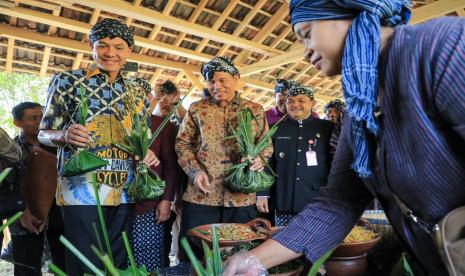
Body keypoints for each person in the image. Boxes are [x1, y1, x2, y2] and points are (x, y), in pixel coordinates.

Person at [224, 1, 465, 275]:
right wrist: (252, 260)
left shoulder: (442, 49)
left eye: (306, 34)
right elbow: (338, 202)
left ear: (346, 13)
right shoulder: (359, 112)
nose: (305, 53)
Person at [38, 18, 159, 275]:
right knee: (85, 263)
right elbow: (43, 134)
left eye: (118, 46)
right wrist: (64, 135)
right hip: (81, 191)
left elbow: (142, 140)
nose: (110, 53)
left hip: (124, 190)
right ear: (91, 45)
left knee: (115, 263)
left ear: (129, 50)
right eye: (102, 45)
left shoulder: (137, 91)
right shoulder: (68, 81)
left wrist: (145, 153)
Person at [175, 56, 273, 258]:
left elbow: (266, 145)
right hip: (202, 195)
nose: (216, 86)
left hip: (241, 197)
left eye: (222, 80)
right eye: (211, 81)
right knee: (195, 253)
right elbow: (182, 144)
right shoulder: (197, 109)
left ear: (236, 78)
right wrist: (195, 171)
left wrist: (259, 159)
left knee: (238, 253)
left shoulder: (254, 110)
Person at [256, 86, 334, 226]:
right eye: (290, 101)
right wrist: (262, 193)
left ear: (313, 103)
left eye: (301, 100)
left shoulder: (327, 128)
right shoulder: (275, 128)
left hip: (317, 199)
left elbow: (336, 163)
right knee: (283, 242)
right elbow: (266, 163)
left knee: (314, 241)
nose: (295, 105)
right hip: (284, 198)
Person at [8, 102, 66, 276]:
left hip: (57, 215)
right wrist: (22, 212)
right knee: (27, 268)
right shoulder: (10, 149)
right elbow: (7, 187)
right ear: (17, 123)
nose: (40, 122)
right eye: (34, 118)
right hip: (24, 217)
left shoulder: (57, 145)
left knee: (64, 265)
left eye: (42, 117)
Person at [130, 80, 180, 272]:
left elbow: (170, 167)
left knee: (149, 257)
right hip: (117, 205)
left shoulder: (162, 125)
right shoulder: (116, 126)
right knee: (118, 254)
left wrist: (166, 200)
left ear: (150, 98)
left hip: (149, 204)